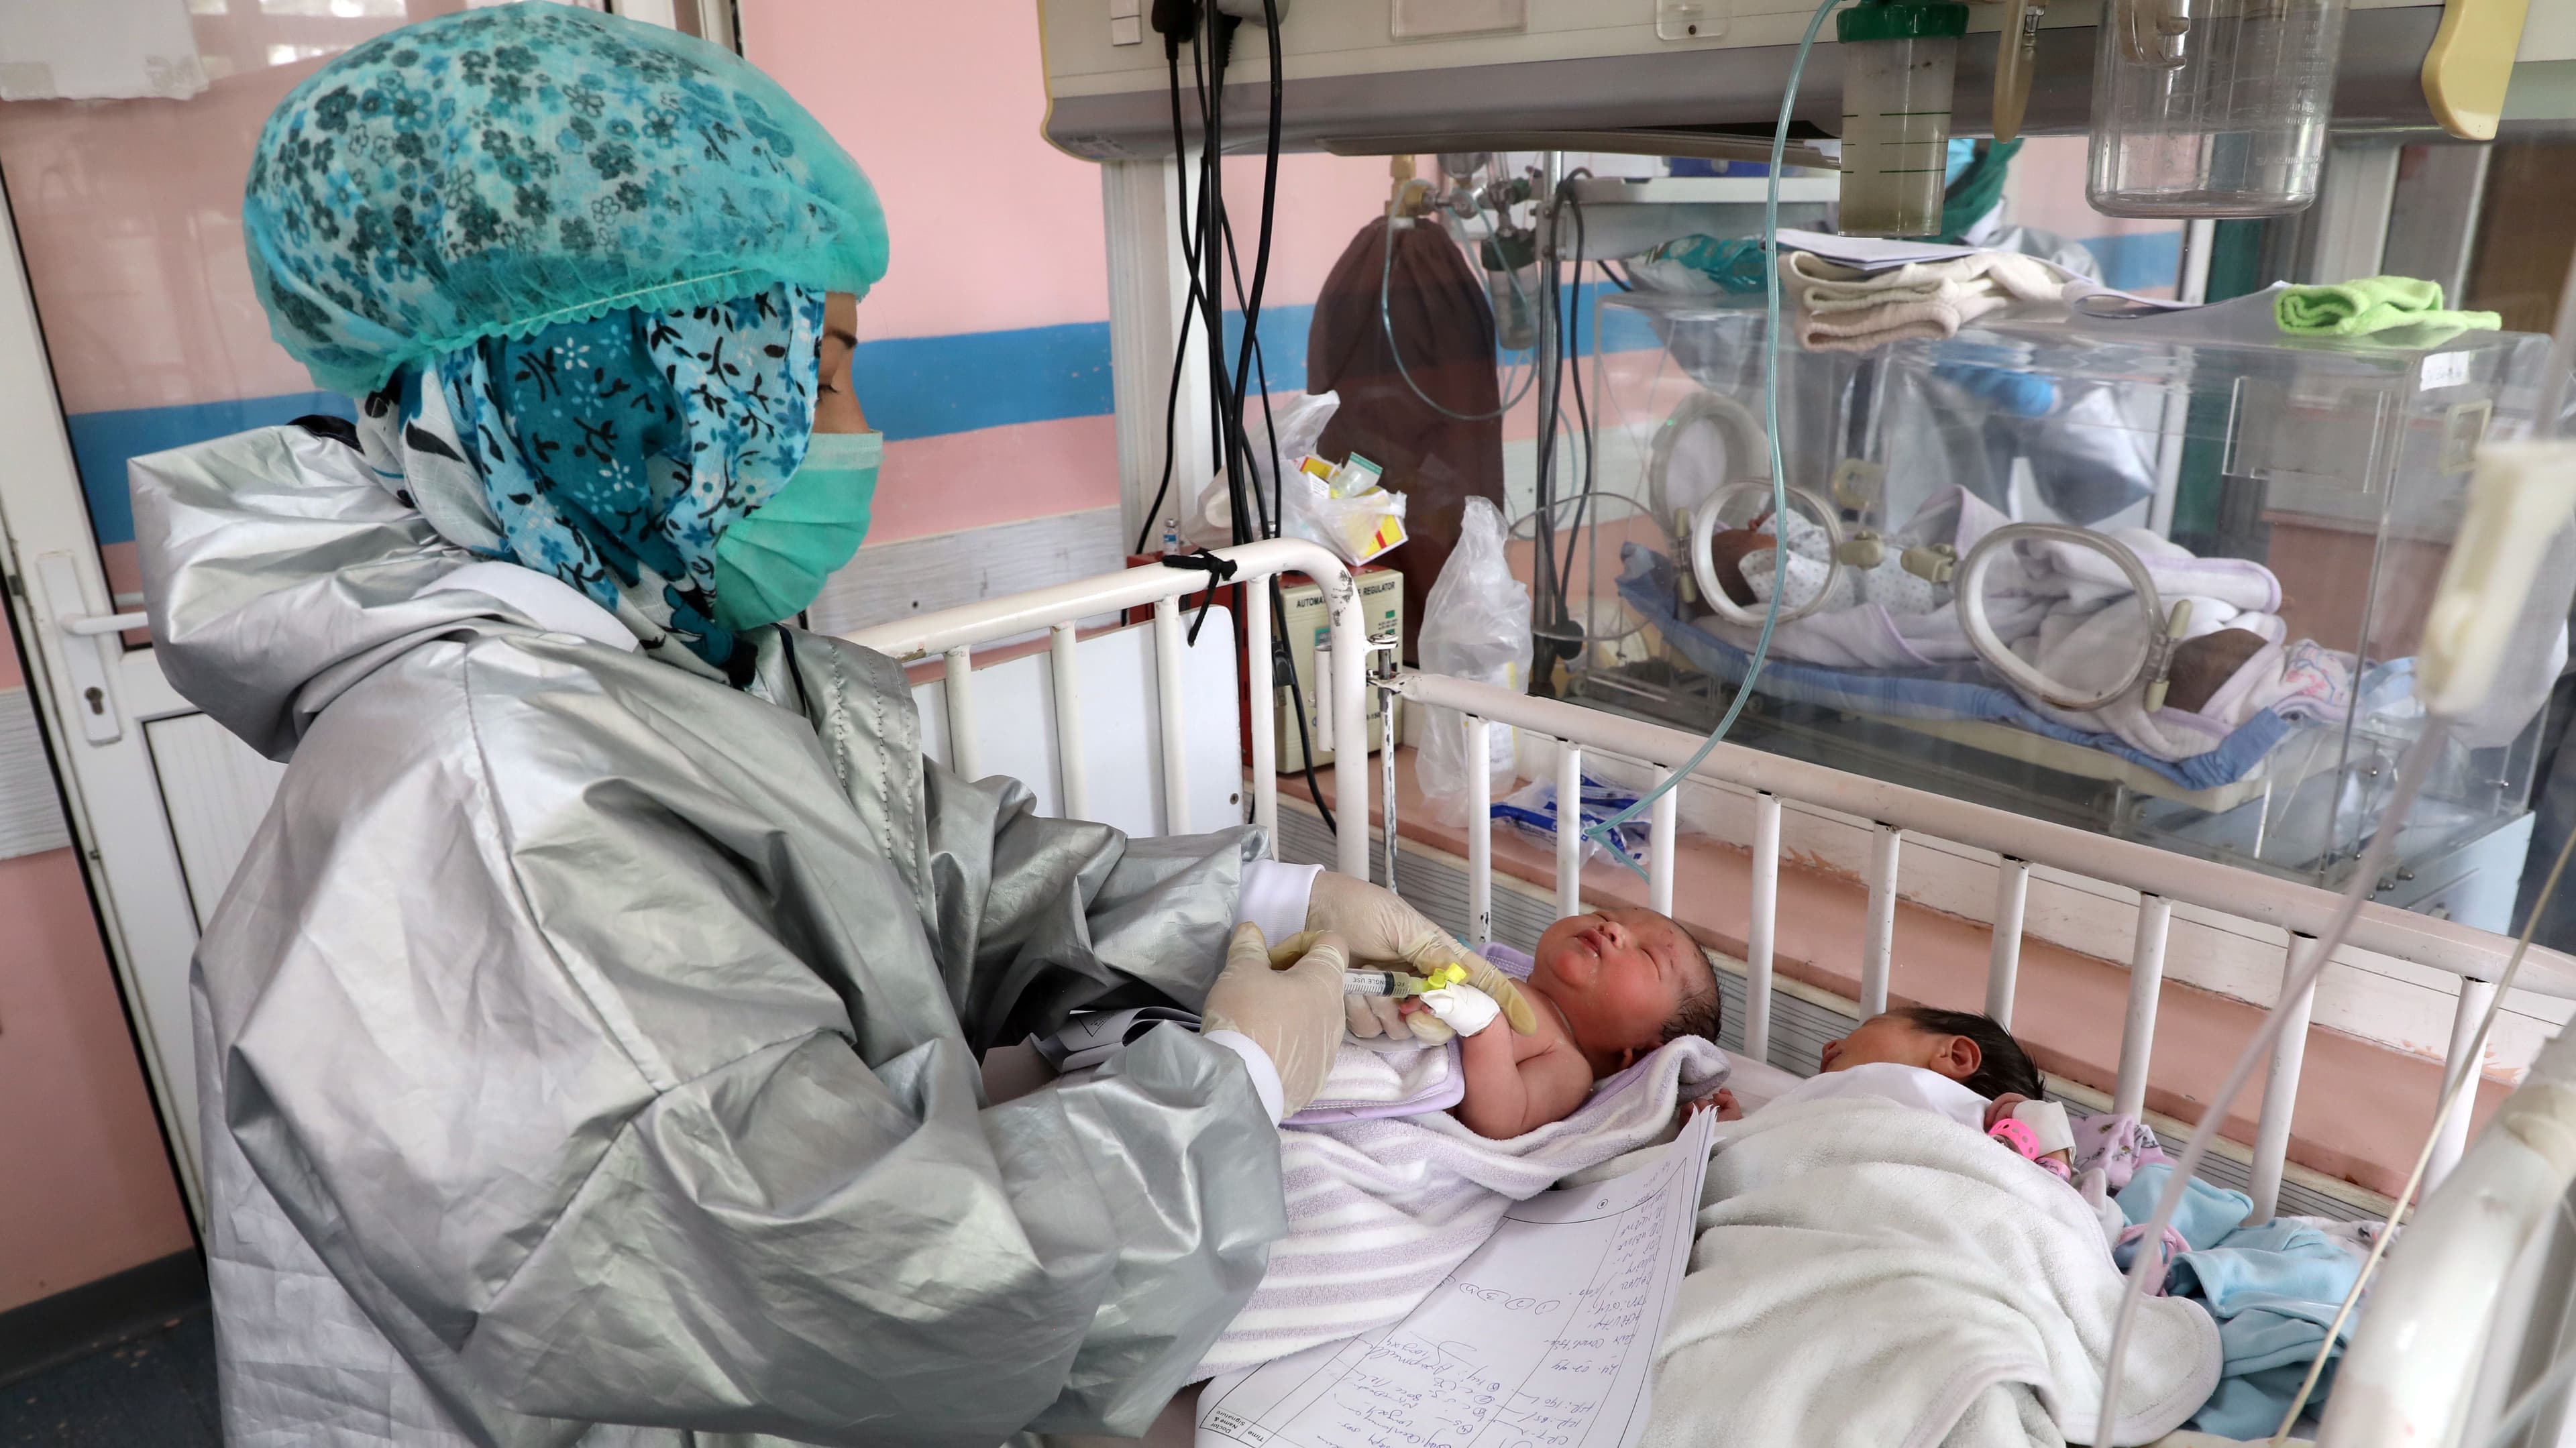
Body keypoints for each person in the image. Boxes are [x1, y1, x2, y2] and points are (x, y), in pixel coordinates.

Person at [134, 9, 1529, 1445]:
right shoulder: (483, 807)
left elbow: (937, 880)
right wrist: (1230, 1082)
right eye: (810, 376)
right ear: (609, 395)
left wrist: (1267, 899)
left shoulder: (669, 657)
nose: (859, 436)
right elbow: (859, 1286)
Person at [1362, 905, 1719, 1139]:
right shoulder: (1495, 977)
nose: (1612, 928)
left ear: (1640, 1053)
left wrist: (1485, 1029)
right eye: (1604, 913)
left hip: (1375, 1100)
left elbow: (1499, 1122)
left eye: (1648, 956)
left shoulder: (1568, 1064)